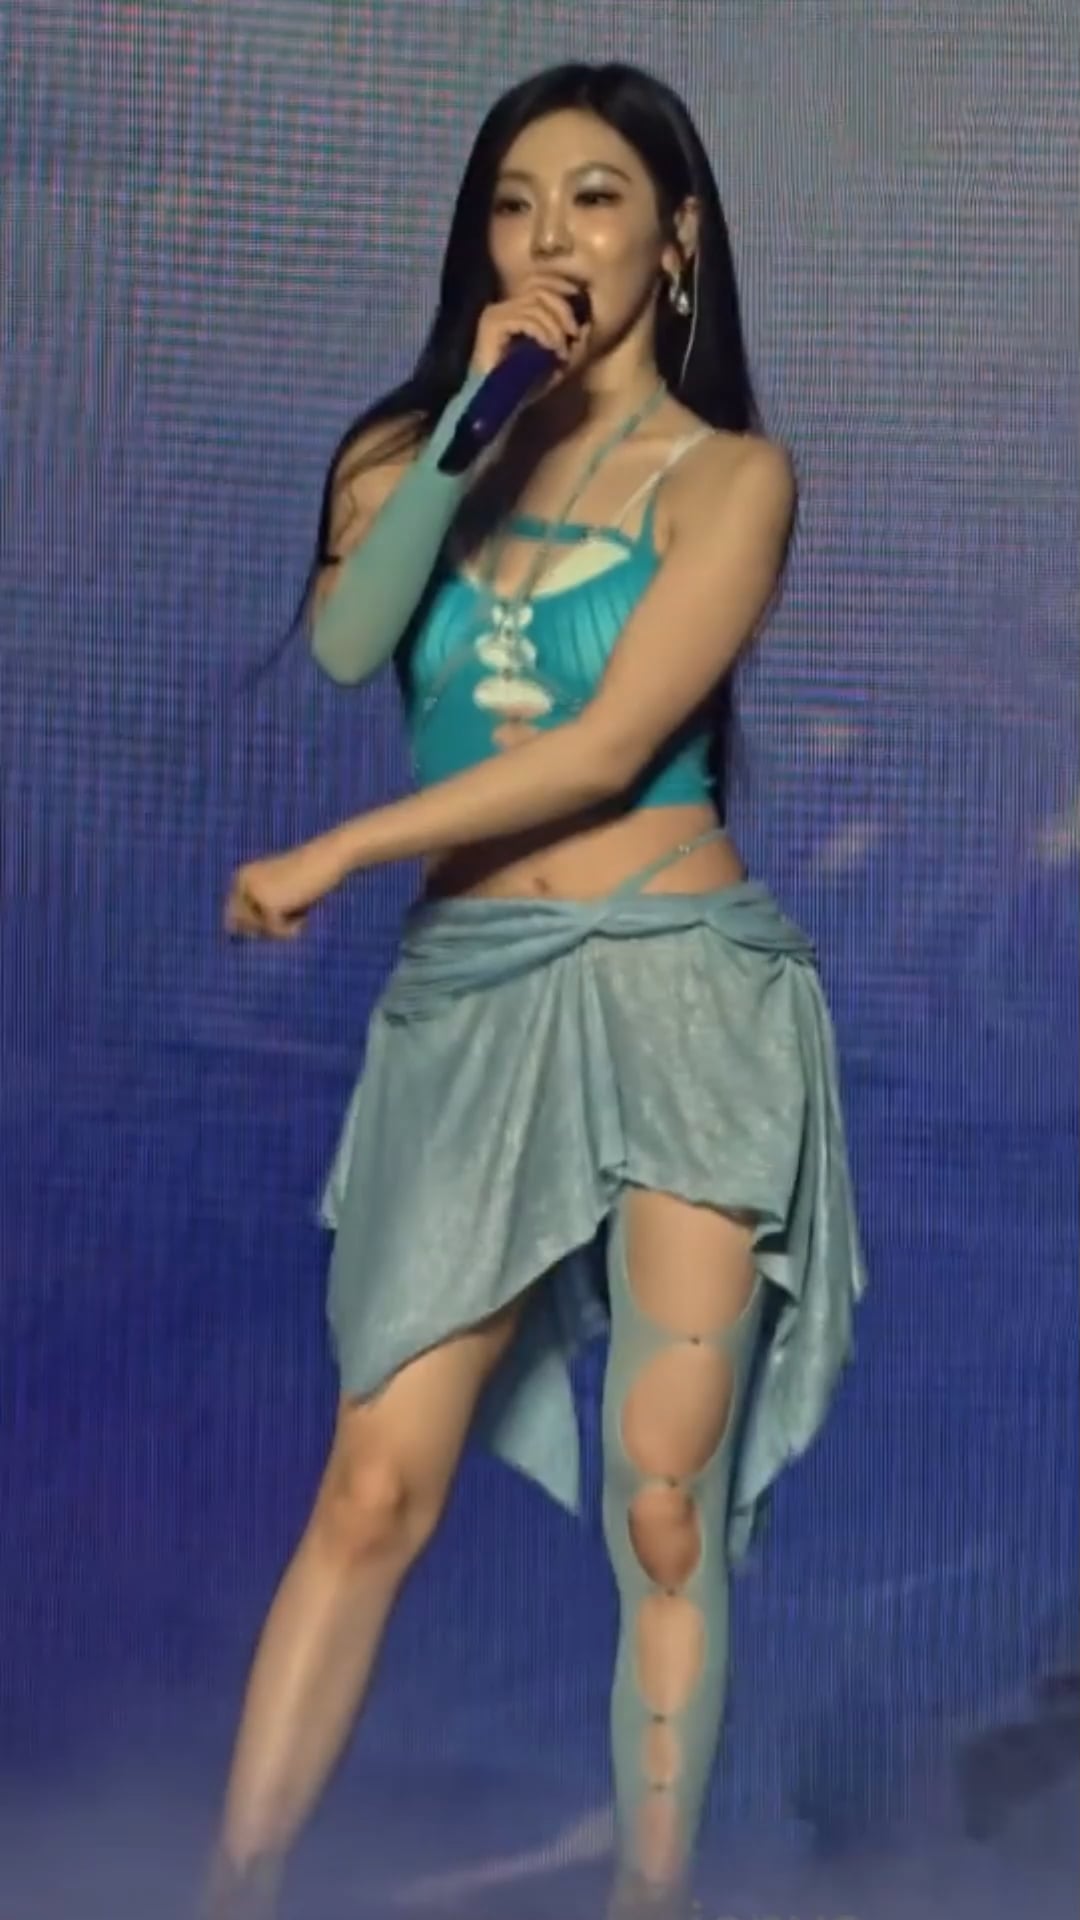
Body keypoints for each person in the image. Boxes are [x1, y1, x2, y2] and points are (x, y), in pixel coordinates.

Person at [213, 59, 867, 1920]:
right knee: (371, 1488)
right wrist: (464, 425)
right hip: (475, 1005)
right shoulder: (407, 453)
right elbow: (351, 643)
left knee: (664, 1501)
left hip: (681, 1001)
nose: (550, 235)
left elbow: (602, 750)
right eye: (514, 202)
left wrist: (339, 853)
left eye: (594, 198)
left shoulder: (733, 478)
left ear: (678, 239)